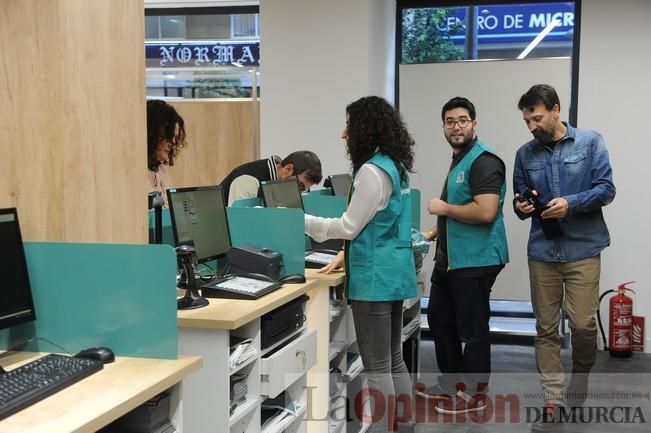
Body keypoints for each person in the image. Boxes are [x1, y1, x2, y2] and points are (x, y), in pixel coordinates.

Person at [305, 96, 417, 432]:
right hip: (393, 272)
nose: (343, 134)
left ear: (364, 129)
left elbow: (350, 226)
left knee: (377, 366)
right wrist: (345, 252)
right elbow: (380, 224)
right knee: (393, 359)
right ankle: (404, 425)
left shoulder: (370, 171)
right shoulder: (393, 166)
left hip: (374, 279)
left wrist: (303, 221)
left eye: (348, 126)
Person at [513, 84, 615, 420]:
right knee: (545, 328)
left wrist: (570, 204)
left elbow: (606, 190)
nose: (532, 126)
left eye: (537, 118)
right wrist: (522, 205)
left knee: (584, 325)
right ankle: (552, 401)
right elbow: (518, 199)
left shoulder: (590, 142)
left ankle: (581, 376)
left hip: (583, 249)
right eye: (527, 121)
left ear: (556, 110)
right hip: (542, 252)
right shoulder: (524, 154)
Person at [420, 97, 508, 415]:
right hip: (451, 258)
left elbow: (485, 211)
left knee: (472, 328)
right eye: (449, 121)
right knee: (440, 321)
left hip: (476, 259)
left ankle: (473, 393)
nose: (456, 127)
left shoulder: (484, 161)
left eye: (462, 120)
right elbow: (458, 209)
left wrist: (443, 208)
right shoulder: (460, 158)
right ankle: (451, 384)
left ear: (474, 123)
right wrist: (431, 232)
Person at [220, 151, 322, 206]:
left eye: (304, 190)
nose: (298, 193)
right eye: (300, 186)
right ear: (287, 169)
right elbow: (239, 222)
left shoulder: (277, 181)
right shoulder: (248, 180)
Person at [147, 99, 187, 208]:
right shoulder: (134, 174)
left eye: (174, 137)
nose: (173, 142)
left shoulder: (162, 171)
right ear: (152, 134)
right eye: (168, 136)